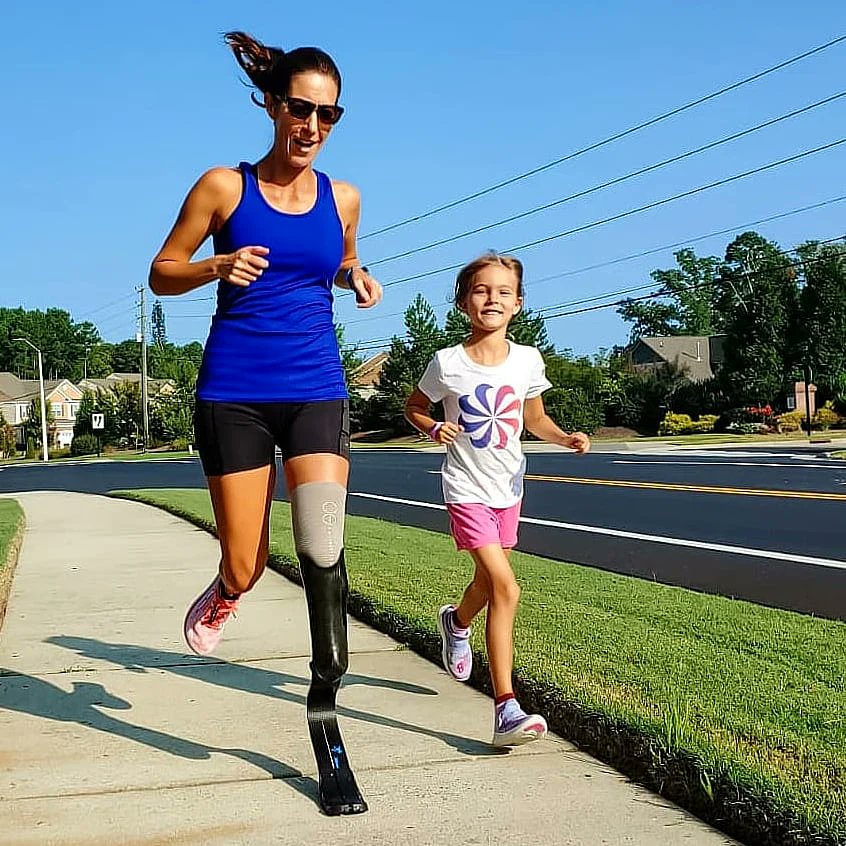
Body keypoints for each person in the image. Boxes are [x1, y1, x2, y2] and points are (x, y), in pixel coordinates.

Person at [148, 30, 381, 816]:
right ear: (273, 105)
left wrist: (356, 276)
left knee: (322, 546)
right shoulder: (224, 186)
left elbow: (337, 258)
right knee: (248, 564)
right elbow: (161, 271)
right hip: (236, 394)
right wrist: (216, 265)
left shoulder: (343, 197)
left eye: (328, 113)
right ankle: (227, 589)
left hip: (316, 387)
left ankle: (325, 714)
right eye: (300, 108)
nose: (312, 125)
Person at [404, 253, 590, 748]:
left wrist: (564, 438)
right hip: (465, 488)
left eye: (504, 291)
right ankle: (506, 707)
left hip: (508, 488)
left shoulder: (527, 360)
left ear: (518, 303)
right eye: (482, 290)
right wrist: (432, 427)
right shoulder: (447, 362)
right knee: (507, 587)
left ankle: (456, 621)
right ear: (464, 302)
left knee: (488, 584)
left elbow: (534, 419)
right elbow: (414, 407)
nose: (493, 299)